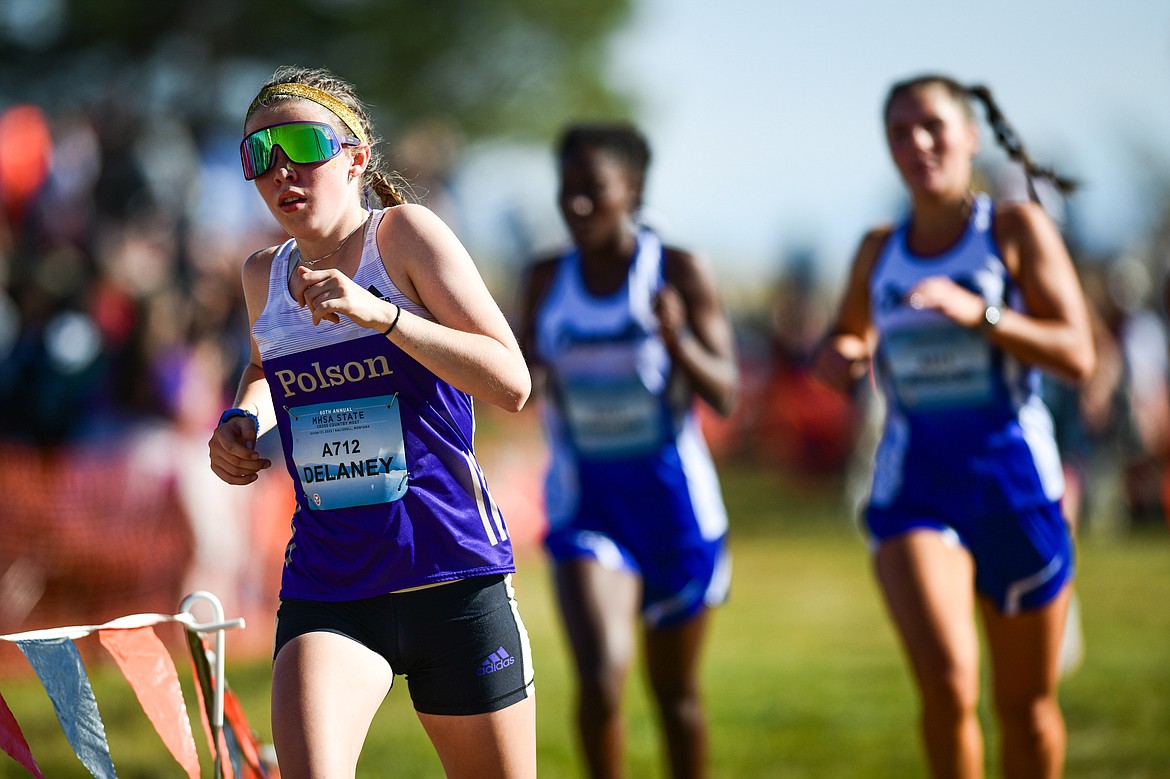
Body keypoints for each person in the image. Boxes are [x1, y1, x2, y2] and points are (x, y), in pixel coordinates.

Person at [207, 66, 536, 779]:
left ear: (355, 158)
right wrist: (239, 418)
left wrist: (381, 315)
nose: (281, 169)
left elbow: (511, 381)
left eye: (300, 144)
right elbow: (266, 367)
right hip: (331, 587)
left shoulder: (405, 237)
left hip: (453, 575)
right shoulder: (261, 274)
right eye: (258, 155)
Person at [812, 74, 1096, 779]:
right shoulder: (878, 251)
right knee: (948, 684)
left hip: (1015, 488)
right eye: (900, 130)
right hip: (916, 491)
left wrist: (983, 315)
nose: (917, 143)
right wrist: (843, 355)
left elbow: (1079, 353)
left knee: (1026, 707)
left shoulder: (1012, 229)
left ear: (970, 136)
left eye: (933, 126)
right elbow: (843, 340)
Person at [517, 122, 738, 779]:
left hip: (676, 511)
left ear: (632, 189)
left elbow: (725, 391)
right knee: (603, 679)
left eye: (595, 190)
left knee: (675, 697)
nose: (577, 205)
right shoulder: (546, 277)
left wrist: (678, 340)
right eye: (568, 191)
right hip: (588, 505)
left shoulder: (676, 270)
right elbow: (515, 378)